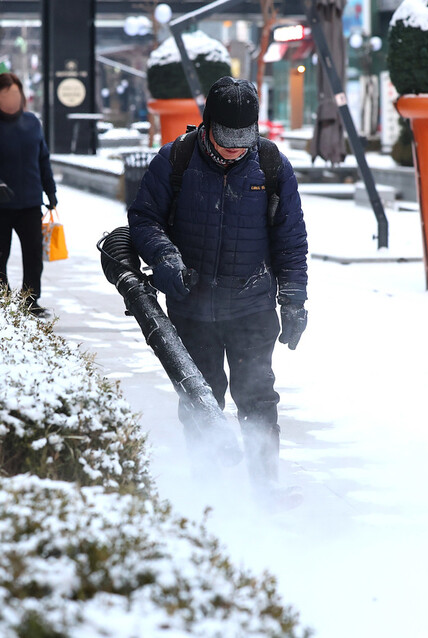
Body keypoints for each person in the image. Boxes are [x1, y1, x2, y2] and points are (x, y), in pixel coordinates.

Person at [128, 76, 308, 504]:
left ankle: (265, 492)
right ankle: (208, 496)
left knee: (258, 398)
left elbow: (291, 240)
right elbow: (144, 219)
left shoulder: (270, 165)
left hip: (253, 305)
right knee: (200, 399)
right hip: (193, 308)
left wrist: (295, 300)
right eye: (226, 140)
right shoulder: (175, 161)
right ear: (207, 124)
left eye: (242, 140)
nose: (234, 149)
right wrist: (166, 260)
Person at [0, 72, 57, 317]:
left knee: (33, 256)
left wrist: (50, 190)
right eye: (6, 95)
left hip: (28, 203)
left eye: (15, 95)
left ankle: (31, 299)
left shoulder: (32, 123)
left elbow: (43, 159)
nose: (11, 100)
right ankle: (0, 299)